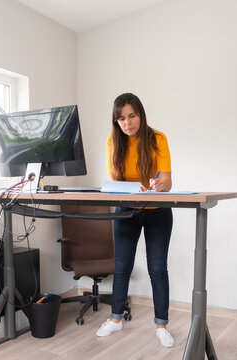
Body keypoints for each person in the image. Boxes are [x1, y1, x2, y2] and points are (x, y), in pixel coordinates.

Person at [96, 92, 174, 348]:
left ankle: (161, 325)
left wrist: (159, 184)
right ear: (116, 121)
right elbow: (114, 183)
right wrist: (129, 189)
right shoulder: (113, 141)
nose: (127, 123)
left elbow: (168, 182)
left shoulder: (157, 139)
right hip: (126, 210)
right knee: (122, 268)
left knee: (157, 269)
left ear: (140, 114)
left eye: (131, 116)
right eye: (121, 118)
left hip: (157, 211)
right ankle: (116, 320)